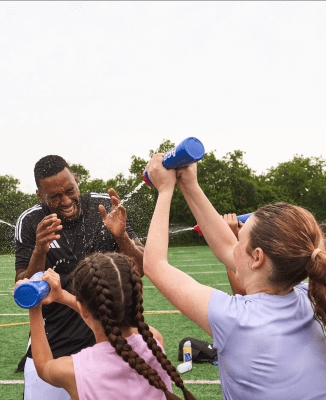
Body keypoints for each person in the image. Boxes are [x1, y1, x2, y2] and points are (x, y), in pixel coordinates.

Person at [143, 154, 326, 400]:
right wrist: (189, 185)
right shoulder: (310, 297)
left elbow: (155, 264)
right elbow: (226, 247)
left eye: (240, 238)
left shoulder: (234, 318)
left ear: (258, 257)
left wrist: (165, 190)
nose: (234, 244)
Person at [14, 155, 144, 400]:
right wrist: (39, 250)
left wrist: (122, 238)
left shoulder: (104, 206)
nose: (66, 200)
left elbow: (140, 269)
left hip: (108, 347)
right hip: (54, 349)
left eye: (69, 190)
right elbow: (23, 285)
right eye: (55, 196)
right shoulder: (31, 221)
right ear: (40, 196)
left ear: (76, 179)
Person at [17, 252, 195, 400]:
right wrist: (63, 296)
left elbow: (44, 365)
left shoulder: (76, 371)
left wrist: (34, 304)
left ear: (84, 310)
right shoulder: (154, 341)